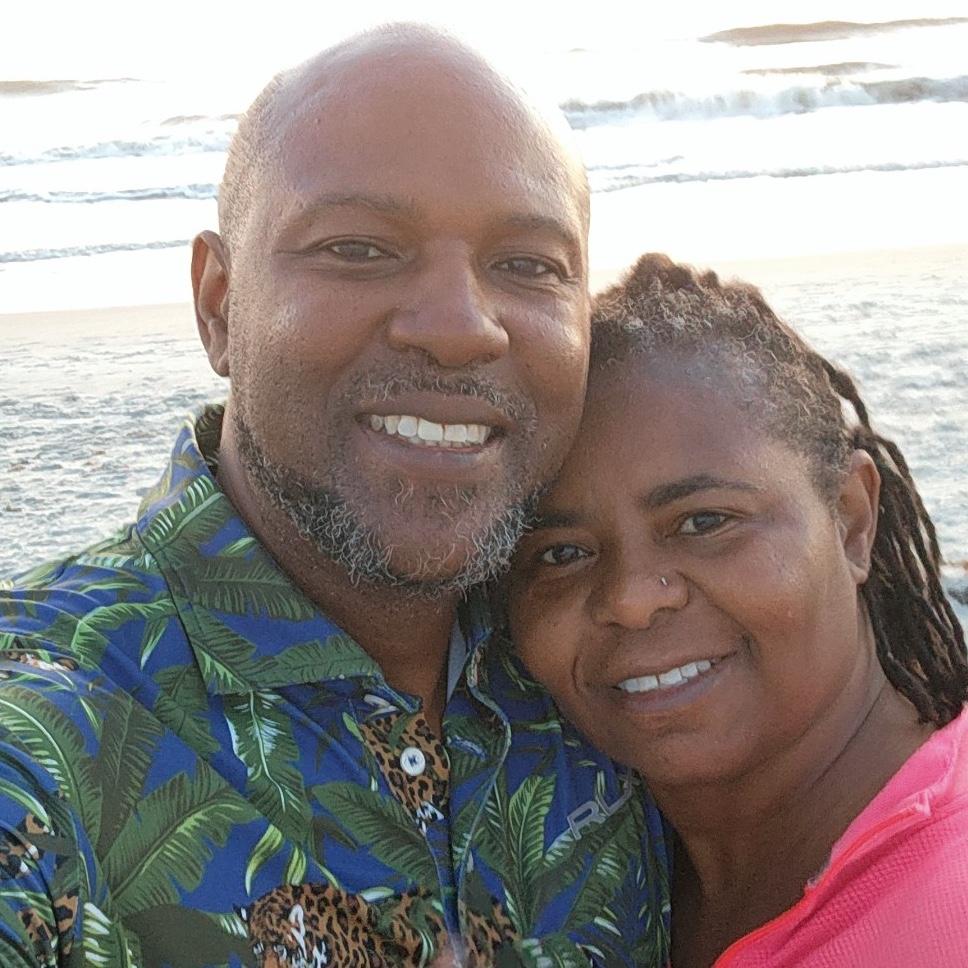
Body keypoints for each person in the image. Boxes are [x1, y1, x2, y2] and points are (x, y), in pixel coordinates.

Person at [0, 28, 670, 967]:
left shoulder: (619, 676)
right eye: (359, 249)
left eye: (528, 265)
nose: (459, 328)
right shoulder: (40, 734)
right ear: (219, 305)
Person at [509, 253, 968, 967]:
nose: (631, 599)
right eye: (562, 553)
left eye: (705, 522)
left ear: (851, 521)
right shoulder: (588, 874)